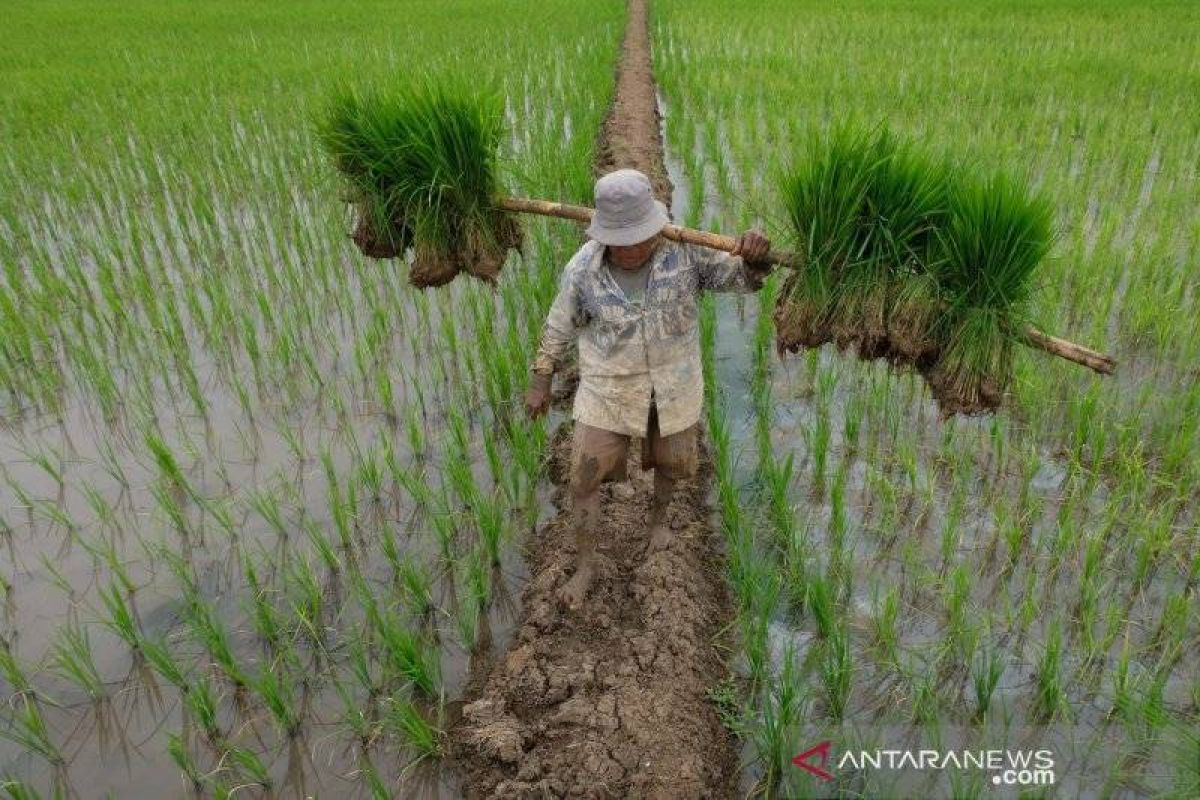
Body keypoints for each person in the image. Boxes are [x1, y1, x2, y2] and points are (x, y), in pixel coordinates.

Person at [524, 168, 772, 610]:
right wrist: (541, 379)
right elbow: (559, 325)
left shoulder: (687, 254)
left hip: (674, 383)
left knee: (673, 464)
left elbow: (741, 279)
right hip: (608, 387)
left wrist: (754, 259)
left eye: (640, 237)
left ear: (656, 227)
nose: (632, 248)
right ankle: (586, 564)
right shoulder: (583, 269)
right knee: (583, 476)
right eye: (621, 241)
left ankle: (659, 523)